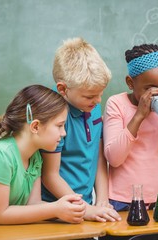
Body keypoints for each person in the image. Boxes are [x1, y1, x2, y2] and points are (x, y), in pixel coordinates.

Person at [0, 85, 86, 225]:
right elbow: (0, 215)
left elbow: (33, 204)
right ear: (35, 126)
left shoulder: (35, 157)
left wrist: (68, 210)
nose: (64, 133)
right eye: (59, 125)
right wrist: (55, 209)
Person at [41, 37, 121, 222]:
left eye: (101, 94)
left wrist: (101, 200)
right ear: (63, 89)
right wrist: (85, 210)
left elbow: (98, 157)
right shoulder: (53, 114)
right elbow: (49, 175)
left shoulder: (92, 105)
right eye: (90, 96)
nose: (98, 100)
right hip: (57, 212)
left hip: (86, 206)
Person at [103, 43, 158, 211]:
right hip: (121, 201)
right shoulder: (116, 104)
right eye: (150, 88)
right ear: (130, 83)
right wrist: (139, 116)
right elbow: (114, 158)